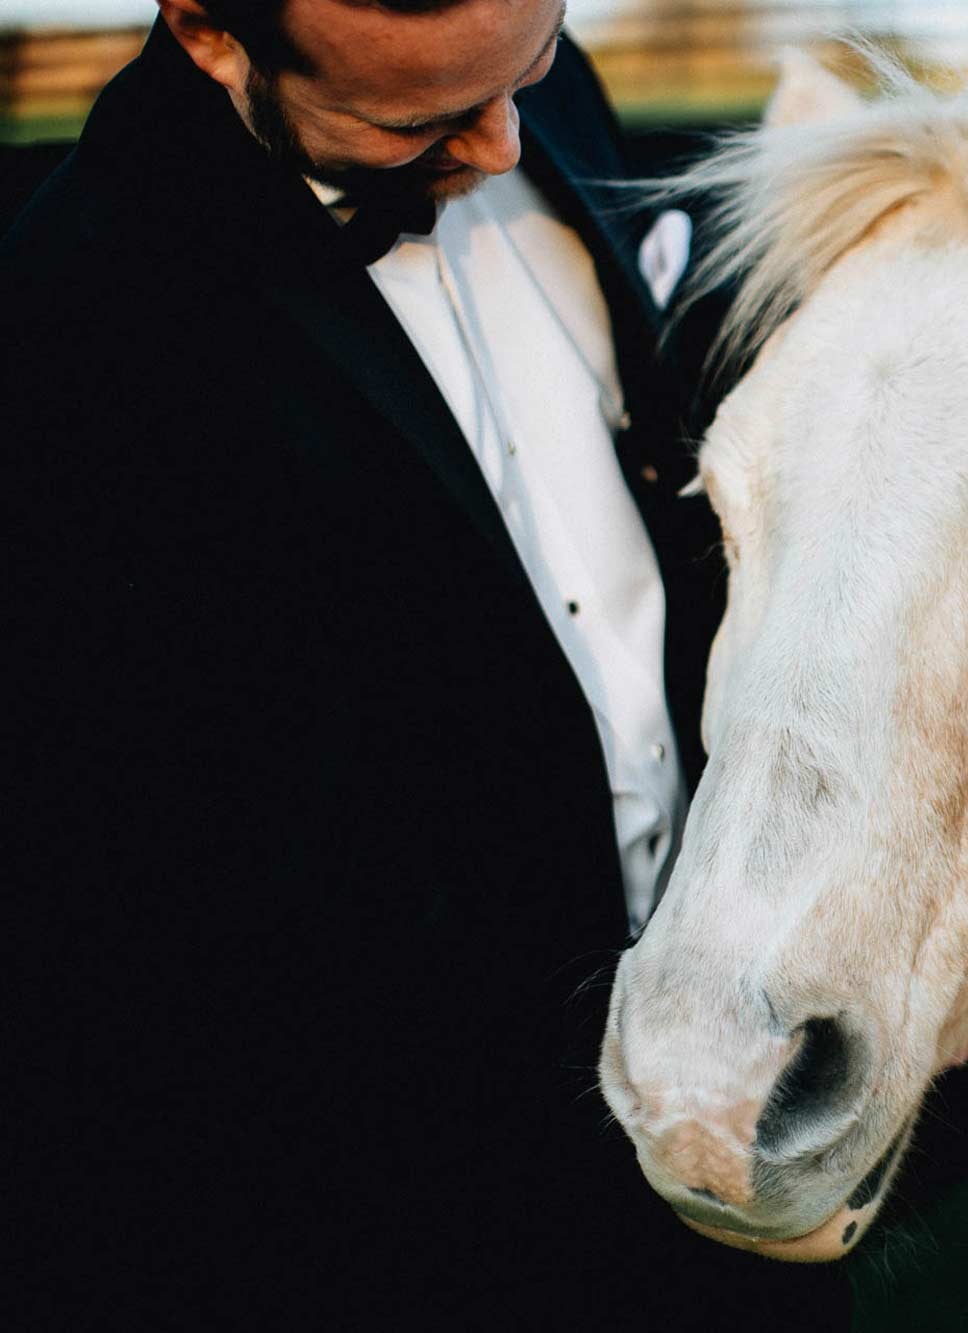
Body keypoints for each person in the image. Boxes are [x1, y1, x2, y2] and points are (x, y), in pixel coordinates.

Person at [2, 0, 852, 1324]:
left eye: (533, 62)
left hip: (719, 1097)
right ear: (207, 28)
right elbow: (171, 937)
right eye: (422, 120)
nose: (511, 143)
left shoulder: (522, 89)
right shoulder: (76, 341)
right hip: (428, 1214)